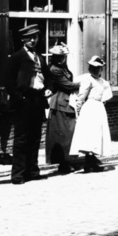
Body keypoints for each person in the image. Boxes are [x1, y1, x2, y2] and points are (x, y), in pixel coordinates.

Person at [8, 24, 50, 184]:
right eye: (29, 38)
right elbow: (9, 82)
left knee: (35, 136)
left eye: (35, 37)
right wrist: (20, 98)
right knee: (21, 138)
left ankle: (33, 171)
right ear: (23, 39)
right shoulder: (17, 57)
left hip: (38, 100)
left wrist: (49, 89)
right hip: (24, 101)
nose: (33, 40)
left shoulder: (40, 57)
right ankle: (18, 174)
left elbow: (49, 77)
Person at [70, 56, 112, 173]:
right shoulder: (88, 80)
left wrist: (103, 101)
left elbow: (106, 94)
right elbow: (82, 95)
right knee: (90, 134)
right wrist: (78, 110)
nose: (95, 70)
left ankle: (89, 163)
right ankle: (91, 163)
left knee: (97, 135)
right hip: (89, 108)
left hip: (99, 108)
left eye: (98, 68)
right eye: (92, 67)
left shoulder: (103, 82)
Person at [44, 43, 80, 174]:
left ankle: (66, 162)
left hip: (66, 102)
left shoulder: (62, 67)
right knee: (63, 134)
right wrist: (86, 82)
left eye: (63, 56)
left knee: (67, 133)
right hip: (60, 103)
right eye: (59, 56)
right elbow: (68, 85)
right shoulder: (55, 69)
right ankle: (63, 163)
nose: (61, 58)